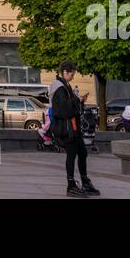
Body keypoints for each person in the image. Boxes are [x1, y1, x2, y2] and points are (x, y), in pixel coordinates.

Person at [49, 61, 99, 197]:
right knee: (71, 156)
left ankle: (85, 181)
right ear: (65, 72)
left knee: (82, 153)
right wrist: (77, 99)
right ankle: (71, 185)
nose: (73, 76)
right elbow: (62, 110)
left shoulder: (65, 86)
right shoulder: (59, 88)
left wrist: (79, 100)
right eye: (72, 74)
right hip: (67, 128)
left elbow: (69, 105)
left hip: (73, 127)